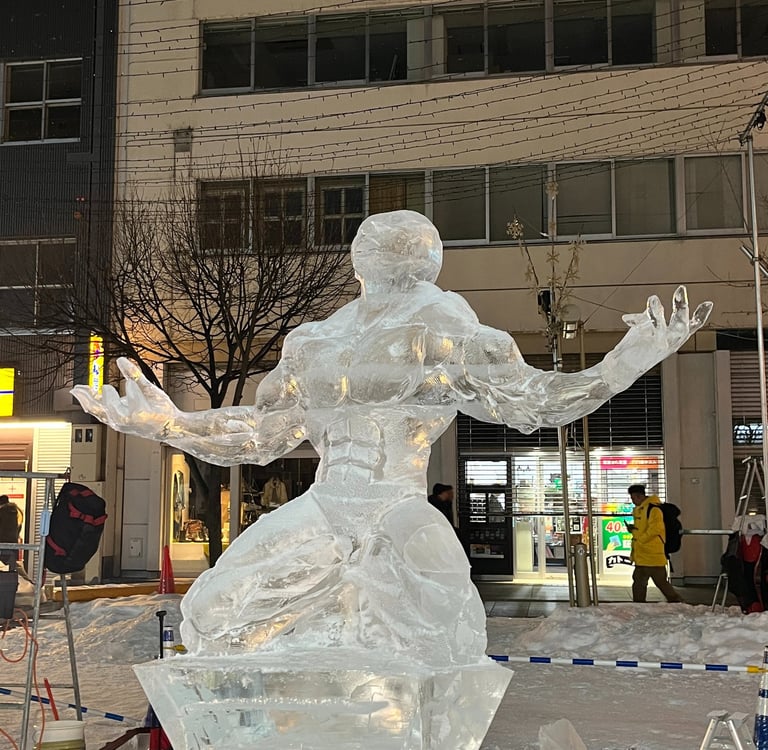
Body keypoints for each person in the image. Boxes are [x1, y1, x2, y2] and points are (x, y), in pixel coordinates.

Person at [72, 210, 709, 663]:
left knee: (441, 629)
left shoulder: (446, 331)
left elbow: (539, 403)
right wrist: (168, 424)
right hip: (325, 506)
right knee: (213, 613)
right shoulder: (314, 343)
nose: (392, 252)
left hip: (397, 506)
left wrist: (627, 361)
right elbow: (262, 435)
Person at [626, 484, 683, 603]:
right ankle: (639, 604)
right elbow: (645, 528)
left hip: (652, 554)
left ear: (639, 496)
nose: (632, 501)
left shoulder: (653, 509)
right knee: (639, 581)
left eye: (633, 498)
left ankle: (677, 602)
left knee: (660, 582)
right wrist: (634, 530)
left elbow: (656, 529)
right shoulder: (641, 510)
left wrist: (640, 539)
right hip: (643, 553)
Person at [0, 494, 22, 572]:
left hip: (2, 543)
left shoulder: (1, 512)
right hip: (13, 543)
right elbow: (19, 527)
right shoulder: (18, 512)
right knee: (13, 568)